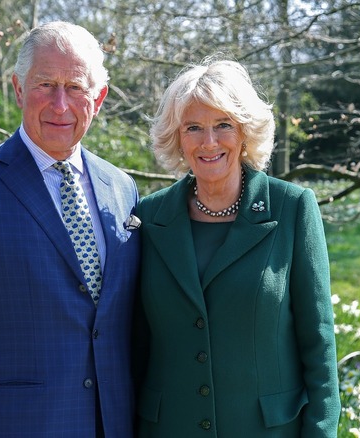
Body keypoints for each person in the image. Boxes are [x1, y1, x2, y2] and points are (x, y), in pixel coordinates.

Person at [0, 21, 141, 437]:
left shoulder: (123, 189)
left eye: (75, 87)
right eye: (44, 85)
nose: (60, 104)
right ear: (19, 89)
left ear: (99, 98)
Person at [133, 58, 340, 436]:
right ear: (177, 137)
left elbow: (319, 343)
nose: (209, 142)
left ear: (245, 132)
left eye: (223, 125)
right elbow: (135, 344)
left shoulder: (292, 208)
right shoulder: (148, 218)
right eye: (193, 127)